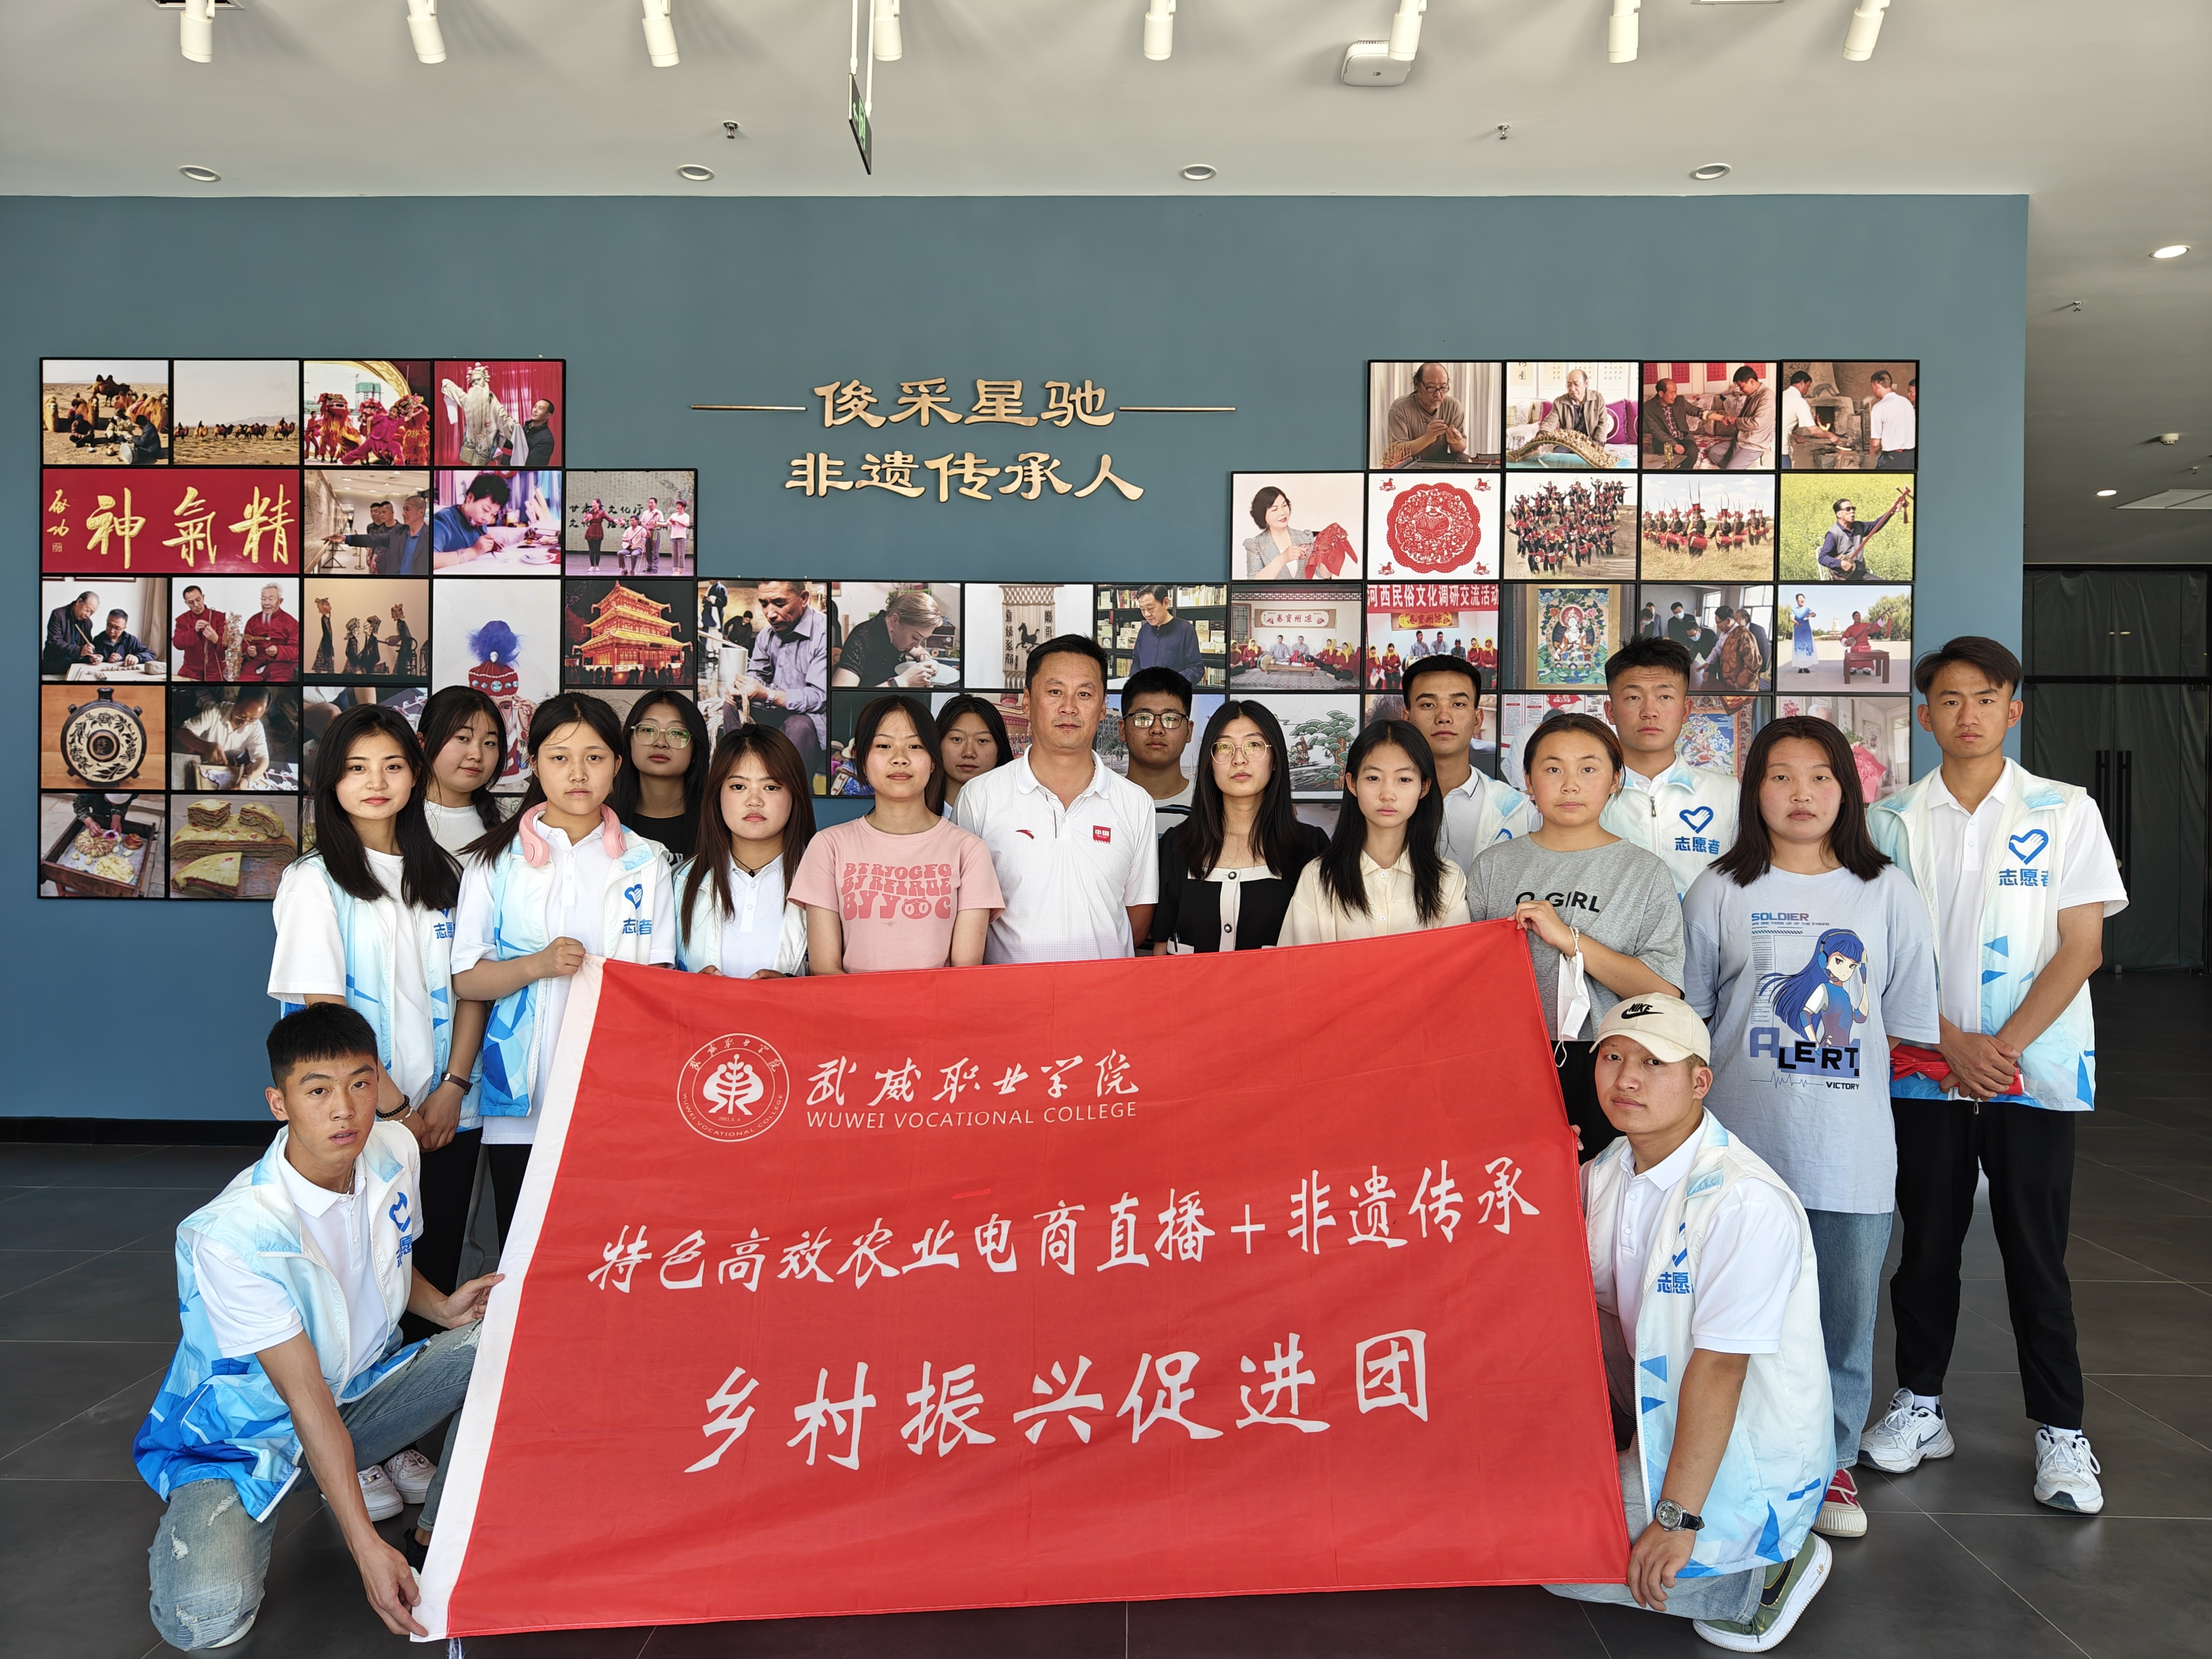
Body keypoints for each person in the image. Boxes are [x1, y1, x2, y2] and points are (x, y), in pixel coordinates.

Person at [134, 1004, 505, 1650]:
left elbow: (386, 1255)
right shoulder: (231, 1235)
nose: (345, 1110)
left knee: (504, 1339)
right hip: (245, 1442)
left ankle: (438, 1533)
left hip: (357, 1396)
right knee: (207, 1620)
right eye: (318, 1091)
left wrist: (444, 1309)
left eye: (361, 1084)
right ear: (279, 1103)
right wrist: (367, 1550)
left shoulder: (393, 1150)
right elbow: (304, 1398)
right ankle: (221, 1513)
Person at [1863, 637, 2127, 1515]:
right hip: (1923, 1071)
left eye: (1985, 698)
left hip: (2034, 1071)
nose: (1967, 713)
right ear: (1924, 714)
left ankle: (2062, 1430)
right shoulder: (1888, 821)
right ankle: (1920, 1405)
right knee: (1925, 1247)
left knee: (2035, 1251)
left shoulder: (2065, 809)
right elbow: (1879, 955)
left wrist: (1998, 1050)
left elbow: (2082, 947)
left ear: (2012, 709)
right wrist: (1950, 1046)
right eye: (1949, 699)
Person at [1682, 716, 1939, 1543]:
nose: (1802, 793)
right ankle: (1730, 1458)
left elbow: (1905, 1025)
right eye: (1782, 776)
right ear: (1754, 790)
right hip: (1740, 1151)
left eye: (1821, 776)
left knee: (1842, 1322)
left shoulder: (1886, 891)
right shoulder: (1719, 889)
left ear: (1847, 790)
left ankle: (1831, 1462)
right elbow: (1692, 1018)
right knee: (1730, 1317)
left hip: (1849, 1153)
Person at [1543, 995, 1836, 1653]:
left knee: (1558, 1556)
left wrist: (1676, 1518)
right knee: (1522, 1517)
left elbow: (1721, 1367)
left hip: (1742, 1452)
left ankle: (1764, 1575)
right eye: (1612, 1057)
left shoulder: (1743, 1202)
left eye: (1654, 1063)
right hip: (1660, 1421)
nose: (1626, 1078)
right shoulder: (1607, 1171)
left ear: (1699, 1081)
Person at [270, 705, 486, 1346]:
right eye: (357, 767)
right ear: (331, 781)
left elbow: (471, 988)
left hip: (447, 1113)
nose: (376, 781)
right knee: (363, 1281)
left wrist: (452, 1088)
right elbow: (328, 1017)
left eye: (392, 766)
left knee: (434, 1276)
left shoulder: (447, 875)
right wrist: (396, 1112)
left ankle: (421, 1410)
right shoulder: (313, 882)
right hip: (361, 1117)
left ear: (416, 774)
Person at [452, 695, 676, 1245]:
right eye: (559, 758)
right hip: (521, 1097)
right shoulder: (493, 862)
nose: (578, 773)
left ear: (618, 764)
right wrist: (537, 965)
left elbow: (663, 980)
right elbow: (467, 979)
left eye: (594, 758)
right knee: (522, 1249)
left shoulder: (647, 861)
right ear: (534, 763)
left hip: (615, 1095)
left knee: (605, 1249)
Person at [1469, 714, 1685, 1160]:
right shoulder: (1493, 866)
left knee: (1602, 1190)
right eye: (1553, 769)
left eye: (1588, 769)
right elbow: (1466, 980)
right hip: (1508, 1061)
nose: (1570, 785)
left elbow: (1664, 992)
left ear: (1615, 780)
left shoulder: (1644, 872)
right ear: (1528, 781)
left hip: (1612, 1064)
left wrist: (1571, 940)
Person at [952, 634, 1158, 962]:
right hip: (1011, 992)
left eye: (1085, 694)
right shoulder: (980, 798)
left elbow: (1139, 919)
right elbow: (961, 916)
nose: (1069, 707)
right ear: (1027, 701)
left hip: (1105, 990)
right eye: (1055, 692)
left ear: (1102, 707)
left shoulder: (1135, 803)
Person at [793, 698, 1002, 973]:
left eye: (915, 746)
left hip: (939, 1003)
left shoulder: (969, 851)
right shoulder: (829, 847)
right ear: (861, 760)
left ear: (933, 761)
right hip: (850, 1003)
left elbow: (963, 973)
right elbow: (825, 969)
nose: (900, 758)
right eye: (883, 746)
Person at [1151, 701, 1328, 954]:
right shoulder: (1177, 845)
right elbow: (1161, 947)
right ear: (1209, 762)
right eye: (1224, 747)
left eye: (1254, 745)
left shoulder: (1310, 846)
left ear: (1275, 759)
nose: (1239, 760)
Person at [1284, 720, 1468, 943]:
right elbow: (1298, 963)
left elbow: (1457, 963)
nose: (1387, 794)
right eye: (1373, 778)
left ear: (1424, 787)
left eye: (1404, 779)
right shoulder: (1318, 877)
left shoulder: (1448, 880)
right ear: (1352, 783)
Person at [675, 727, 814, 979]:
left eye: (771, 787)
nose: (754, 801)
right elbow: (654, 979)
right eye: (739, 786)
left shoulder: (826, 880)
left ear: (795, 795)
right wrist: (689, 988)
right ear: (717, 794)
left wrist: (792, 989)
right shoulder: (679, 882)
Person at [1398, 656, 1539, 884]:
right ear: (1407, 719)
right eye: (1428, 705)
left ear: (1477, 719)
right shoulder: (1383, 801)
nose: (1444, 717)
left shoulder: (1516, 810)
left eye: (1458, 704)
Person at [734, 579, 828, 772]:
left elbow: (820, 698)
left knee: (798, 725)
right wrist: (743, 688)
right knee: (731, 706)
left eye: (780, 603)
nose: (770, 614)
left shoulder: (823, 632)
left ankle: (791, 785)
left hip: (809, 716)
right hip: (774, 709)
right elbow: (757, 674)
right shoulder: (766, 635)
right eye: (764, 604)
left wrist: (767, 694)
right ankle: (741, 771)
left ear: (804, 598)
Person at [609, 691, 709, 861]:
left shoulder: (717, 819)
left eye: (677, 733)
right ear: (629, 740)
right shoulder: (603, 817)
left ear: (696, 749)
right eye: (648, 730)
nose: (660, 742)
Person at [416, 685, 512, 857]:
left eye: (489, 743)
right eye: (463, 738)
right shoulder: (392, 819)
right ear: (422, 742)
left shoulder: (510, 829)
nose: (477, 755)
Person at [1120, 666, 1197, 835]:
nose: (1157, 729)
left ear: (1188, 731)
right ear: (1123, 730)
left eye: (1170, 718)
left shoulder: (1210, 809)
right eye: (1143, 718)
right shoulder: (1099, 806)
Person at [833, 588, 946, 688]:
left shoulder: (895, 632)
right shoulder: (861, 640)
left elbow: (919, 651)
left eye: (922, 639)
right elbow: (840, 696)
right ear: (894, 621)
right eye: (915, 637)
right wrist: (903, 682)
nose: (917, 645)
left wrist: (926, 660)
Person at [175, 687, 272, 789]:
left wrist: (248, 780)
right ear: (235, 701)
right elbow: (182, 734)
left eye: (252, 719)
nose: (244, 723)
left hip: (234, 765)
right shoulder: (215, 712)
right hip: (205, 761)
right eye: (241, 716)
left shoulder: (256, 726)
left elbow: (263, 758)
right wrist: (205, 747)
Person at [934, 693, 1014, 812]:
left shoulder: (1016, 812)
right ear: (938, 744)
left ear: (999, 749)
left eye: (982, 741)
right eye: (957, 739)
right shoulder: (915, 812)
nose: (969, 752)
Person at [1382, 361, 1468, 466]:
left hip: (1442, 463)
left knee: (1463, 458)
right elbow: (1397, 453)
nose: (1438, 395)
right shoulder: (1400, 407)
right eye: (1431, 388)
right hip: (1412, 465)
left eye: (1443, 388)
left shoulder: (1453, 406)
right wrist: (1427, 439)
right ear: (1417, 385)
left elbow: (1460, 449)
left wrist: (1456, 441)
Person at [1814, 490, 1911, 581]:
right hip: (1844, 578)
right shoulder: (1833, 534)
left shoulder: (1859, 526)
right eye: (1848, 509)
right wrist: (1840, 563)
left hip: (1861, 575)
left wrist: (1891, 511)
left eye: (1853, 509)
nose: (1852, 511)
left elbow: (1876, 525)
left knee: (1884, 585)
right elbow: (1822, 558)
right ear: (1839, 514)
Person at [430, 472, 512, 563]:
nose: (487, 519)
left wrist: (487, 548)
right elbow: (428, 560)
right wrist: (474, 551)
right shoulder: (443, 520)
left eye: (493, 515)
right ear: (470, 498)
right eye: (485, 510)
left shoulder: (479, 521)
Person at [1130, 584, 1205, 682]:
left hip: (1173, 689)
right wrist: (1134, 682)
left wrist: (1171, 683)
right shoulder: (1144, 630)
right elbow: (1136, 661)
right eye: (1143, 610)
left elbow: (1196, 668)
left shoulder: (1186, 629)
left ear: (1166, 603)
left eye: (1151, 608)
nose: (1147, 614)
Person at [1242, 485, 1320, 577]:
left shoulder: (1305, 537)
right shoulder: (1255, 545)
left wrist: (1327, 553)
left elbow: (1322, 574)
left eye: (1284, 506)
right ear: (1262, 515)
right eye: (1274, 510)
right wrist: (1283, 558)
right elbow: (1253, 582)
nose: (1283, 513)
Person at [1708, 365, 1775, 469]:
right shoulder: (1752, 395)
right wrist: (1731, 420)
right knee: (1713, 453)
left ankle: (1734, 468)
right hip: (1741, 439)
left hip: (1754, 443)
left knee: (1732, 469)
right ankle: (1735, 467)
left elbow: (1757, 423)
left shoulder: (1767, 396)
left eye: (1741, 386)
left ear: (1752, 382)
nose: (1740, 390)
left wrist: (1736, 421)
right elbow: (1743, 418)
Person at [240, 582, 299, 683]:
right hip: (256, 665)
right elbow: (245, 643)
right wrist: (250, 652)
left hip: (281, 667)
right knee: (242, 682)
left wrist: (278, 651)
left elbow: (296, 649)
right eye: (264, 599)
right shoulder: (253, 621)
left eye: (271, 599)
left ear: (280, 601)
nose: (266, 603)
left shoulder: (291, 623)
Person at [1640, 377, 1701, 470]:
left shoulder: (1680, 401)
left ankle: (1683, 473)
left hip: (1682, 437)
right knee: (1668, 456)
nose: (1675, 396)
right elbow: (1656, 431)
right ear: (1661, 394)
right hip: (1663, 441)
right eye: (1672, 393)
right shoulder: (1648, 408)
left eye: (1675, 392)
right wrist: (1674, 445)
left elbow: (1695, 410)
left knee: (1693, 451)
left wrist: (1711, 414)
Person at [172, 585, 228, 682]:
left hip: (215, 669)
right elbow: (177, 644)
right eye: (191, 602)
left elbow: (227, 645)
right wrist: (194, 631)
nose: (196, 605)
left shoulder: (218, 617)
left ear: (203, 597)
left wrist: (215, 639)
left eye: (198, 600)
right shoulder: (183, 619)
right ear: (186, 603)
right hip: (191, 669)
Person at [1541, 367, 1613, 444]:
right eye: (1569, 385)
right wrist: (1542, 433)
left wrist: (1598, 442)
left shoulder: (1598, 398)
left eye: (1576, 384)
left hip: (1590, 442)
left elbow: (1603, 422)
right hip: (1567, 442)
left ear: (1586, 383)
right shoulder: (1559, 402)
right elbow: (1550, 422)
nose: (1572, 389)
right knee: (1560, 451)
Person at [1780, 369, 1832, 471]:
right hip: (1781, 449)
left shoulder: (1782, 395)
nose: (1807, 391)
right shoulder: (1799, 402)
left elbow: (1782, 424)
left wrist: (1795, 436)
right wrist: (1831, 436)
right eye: (1808, 387)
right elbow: (1814, 431)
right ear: (1802, 383)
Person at [326, 499, 398, 571]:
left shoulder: (398, 530)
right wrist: (369, 556)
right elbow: (371, 541)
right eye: (372, 512)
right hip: (375, 562)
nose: (374, 514)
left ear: (392, 513)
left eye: (379, 512)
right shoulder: (373, 528)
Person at [1865, 369, 1916, 470]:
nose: (1873, 391)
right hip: (1911, 457)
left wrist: (1872, 450)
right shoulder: (1906, 402)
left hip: (1893, 459)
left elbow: (1875, 443)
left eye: (1872, 387)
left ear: (1877, 385)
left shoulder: (1879, 407)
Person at [1708, 607, 1766, 694]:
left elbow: (1753, 663)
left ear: (1728, 621)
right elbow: (1720, 650)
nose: (1718, 626)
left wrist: (1741, 685)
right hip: (1730, 684)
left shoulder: (1745, 634)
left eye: (1718, 623)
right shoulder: (1727, 633)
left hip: (1743, 686)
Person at [43, 589, 100, 676]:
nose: (88, 615)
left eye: (92, 613)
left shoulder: (88, 623)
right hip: (55, 667)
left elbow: (86, 647)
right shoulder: (58, 615)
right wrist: (80, 651)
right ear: (79, 602)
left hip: (75, 667)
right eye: (88, 610)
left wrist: (91, 657)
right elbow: (55, 643)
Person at [90, 606, 155, 667]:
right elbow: (91, 657)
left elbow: (150, 655)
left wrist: (137, 658)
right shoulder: (98, 639)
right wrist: (103, 659)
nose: (112, 631)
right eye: (109, 626)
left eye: (117, 628)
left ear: (124, 628)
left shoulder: (131, 640)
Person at [522, 398, 557, 469]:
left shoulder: (546, 440)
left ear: (548, 416)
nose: (535, 410)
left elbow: (531, 466)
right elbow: (515, 443)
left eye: (540, 408)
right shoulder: (526, 427)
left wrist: (502, 457)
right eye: (535, 407)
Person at [1789, 596, 1817, 674]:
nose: (1801, 600)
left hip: (1806, 630)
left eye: (1803, 598)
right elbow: (1792, 618)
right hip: (1798, 630)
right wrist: (1796, 622)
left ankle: (1806, 667)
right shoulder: (1794, 610)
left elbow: (1814, 614)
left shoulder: (1807, 609)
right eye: (1800, 599)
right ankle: (1800, 667)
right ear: (1797, 601)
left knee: (1807, 647)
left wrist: (1810, 615)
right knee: (1799, 648)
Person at [582, 498, 608, 569]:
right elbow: (583, 521)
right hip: (590, 532)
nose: (593, 504)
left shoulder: (602, 513)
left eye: (595, 503)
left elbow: (610, 519)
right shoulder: (590, 513)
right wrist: (586, 519)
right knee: (592, 550)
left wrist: (618, 521)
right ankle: (592, 566)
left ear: (598, 504)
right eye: (592, 503)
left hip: (598, 532)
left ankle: (597, 566)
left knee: (597, 550)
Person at [667, 496, 691, 574]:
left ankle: (680, 571)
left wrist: (677, 521)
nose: (678, 507)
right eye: (677, 505)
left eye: (679, 505)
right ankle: (675, 570)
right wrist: (657, 523)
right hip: (673, 537)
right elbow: (667, 523)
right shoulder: (674, 515)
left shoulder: (686, 516)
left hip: (681, 537)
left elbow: (686, 525)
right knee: (674, 555)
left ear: (683, 507)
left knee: (681, 555)